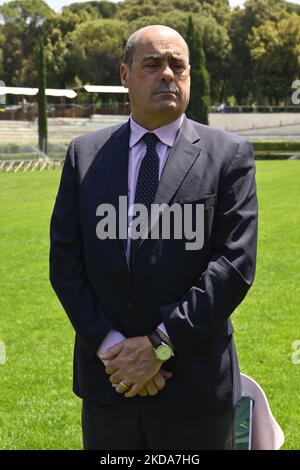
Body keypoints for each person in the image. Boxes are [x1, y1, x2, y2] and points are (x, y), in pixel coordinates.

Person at [49, 24, 258, 450]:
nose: (168, 74)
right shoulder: (83, 155)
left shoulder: (229, 155)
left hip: (195, 384)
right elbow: (65, 263)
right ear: (126, 75)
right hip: (110, 381)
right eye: (153, 64)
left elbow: (233, 266)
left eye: (177, 65)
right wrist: (114, 350)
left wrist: (159, 346)